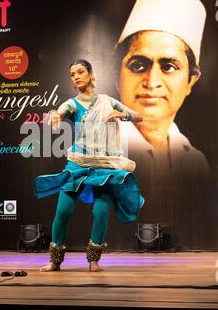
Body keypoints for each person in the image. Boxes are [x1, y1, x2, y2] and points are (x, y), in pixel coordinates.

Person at [34, 59, 144, 272]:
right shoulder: (72, 104)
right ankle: (54, 261)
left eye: (80, 71)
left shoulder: (107, 101)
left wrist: (125, 114)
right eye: (72, 74)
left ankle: (94, 260)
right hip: (78, 163)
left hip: (103, 165)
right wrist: (56, 115)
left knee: (101, 212)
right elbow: (61, 110)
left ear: (91, 74)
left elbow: (139, 116)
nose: (76, 76)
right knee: (63, 210)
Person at [115, 0, 209, 176]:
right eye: (138, 65)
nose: (151, 81)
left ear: (191, 81)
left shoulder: (196, 163)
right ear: (117, 76)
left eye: (168, 67)